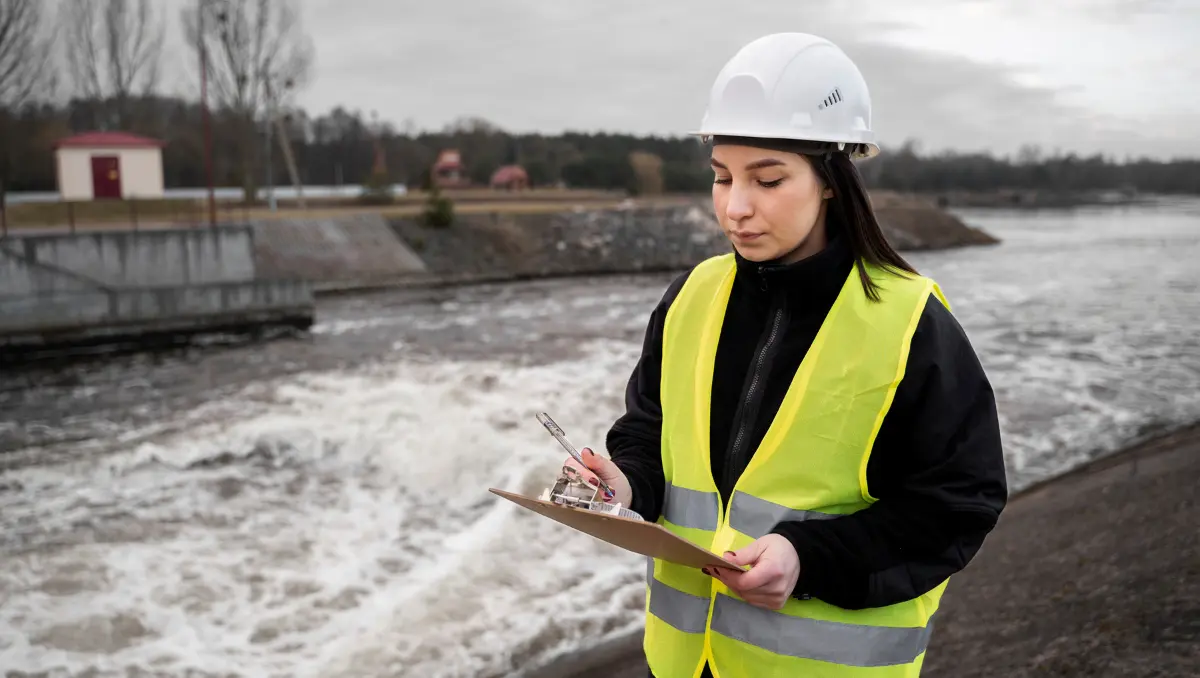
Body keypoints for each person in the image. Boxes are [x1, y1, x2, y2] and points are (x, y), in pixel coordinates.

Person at [561, 32, 1008, 678]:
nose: (735, 207)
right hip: (686, 665)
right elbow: (651, 434)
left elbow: (959, 503)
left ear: (830, 180)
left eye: (767, 179)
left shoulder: (909, 325)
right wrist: (626, 484)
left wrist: (807, 556)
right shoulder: (690, 300)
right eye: (721, 177)